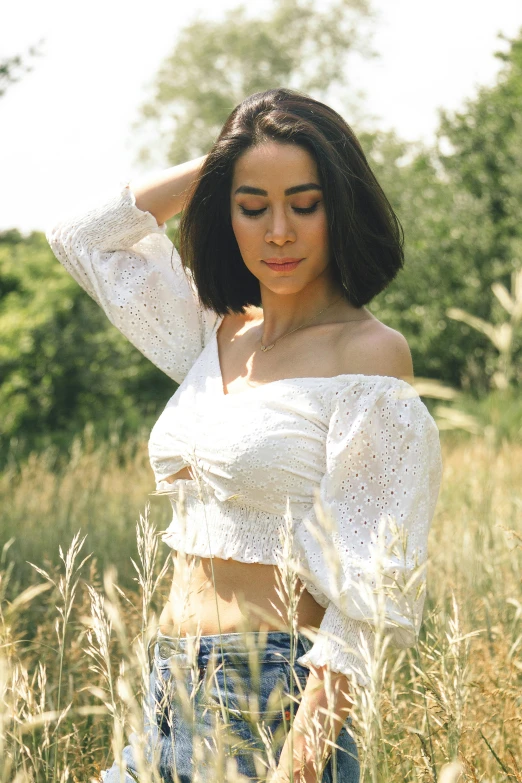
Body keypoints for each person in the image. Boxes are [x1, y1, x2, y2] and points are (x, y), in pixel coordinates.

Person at [46, 88, 443, 783]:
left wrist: (299, 762)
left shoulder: (369, 357)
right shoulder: (213, 330)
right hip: (167, 692)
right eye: (252, 206)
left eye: (305, 202)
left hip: (272, 708)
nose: (279, 231)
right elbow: (81, 237)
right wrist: (229, 157)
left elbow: (372, 598)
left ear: (339, 206)